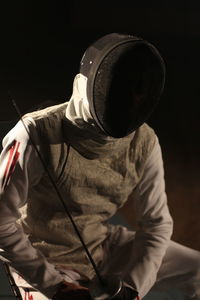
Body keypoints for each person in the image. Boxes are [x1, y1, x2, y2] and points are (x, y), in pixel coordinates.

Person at [0, 33, 199, 300]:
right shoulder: (35, 133)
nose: (132, 99)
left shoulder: (144, 141)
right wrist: (54, 285)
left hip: (101, 245)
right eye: (121, 86)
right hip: (41, 256)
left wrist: (132, 289)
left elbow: (156, 224)